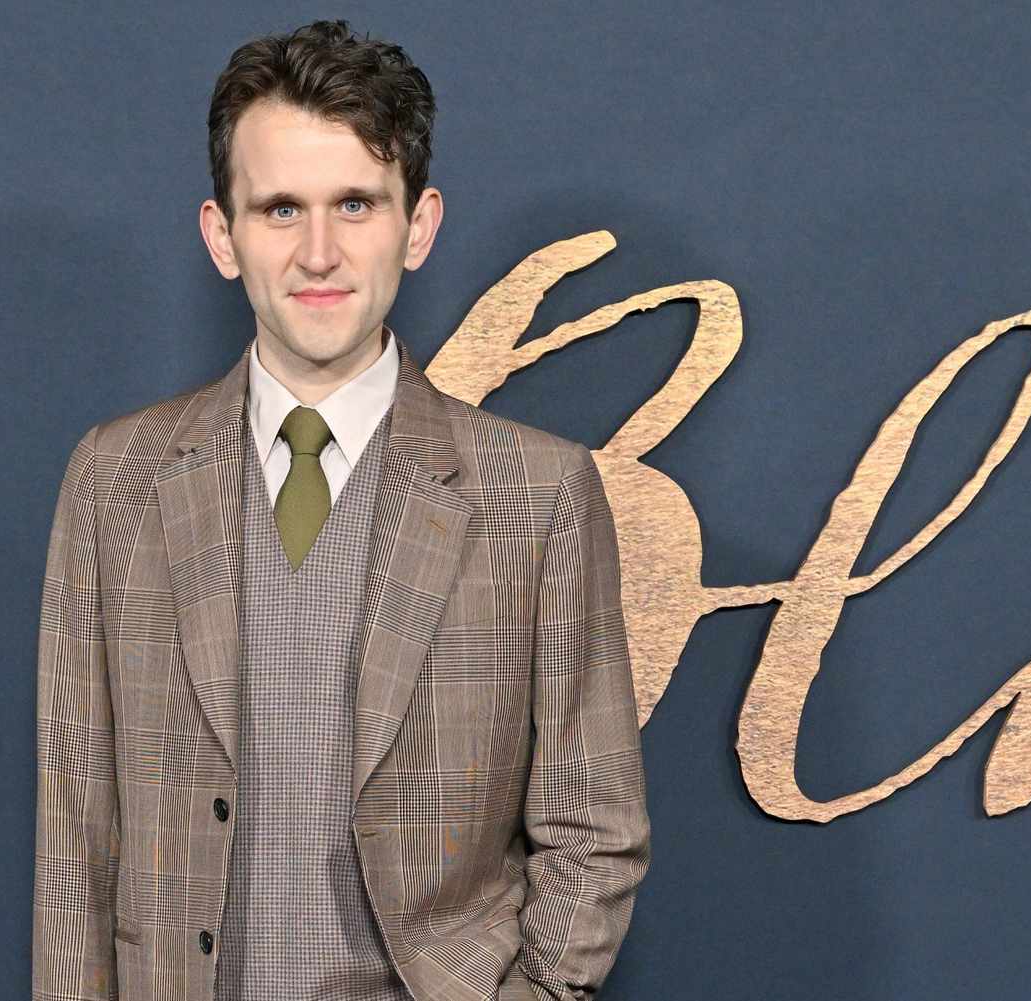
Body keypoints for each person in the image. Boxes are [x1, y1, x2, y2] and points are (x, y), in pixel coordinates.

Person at [34, 18, 650, 1001]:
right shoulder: (115, 483)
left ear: (420, 223)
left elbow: (596, 824)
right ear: (221, 235)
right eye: (280, 209)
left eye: (355, 203)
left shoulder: (539, 497)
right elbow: (74, 842)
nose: (319, 252)